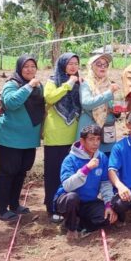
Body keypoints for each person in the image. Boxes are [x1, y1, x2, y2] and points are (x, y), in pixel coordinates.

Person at [0, 54, 44, 222]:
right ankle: (1, 210)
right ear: (19, 69)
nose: (30, 70)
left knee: (21, 172)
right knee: (8, 172)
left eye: (33, 67)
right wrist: (28, 87)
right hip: (10, 138)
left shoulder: (38, 86)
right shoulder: (12, 84)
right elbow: (11, 103)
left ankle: (14, 204)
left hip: (28, 138)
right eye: (26, 67)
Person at [54, 125, 117, 239]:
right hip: (67, 201)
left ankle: (79, 224)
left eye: (98, 139)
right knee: (72, 198)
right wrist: (86, 169)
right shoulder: (70, 159)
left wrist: (108, 204)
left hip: (89, 202)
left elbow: (105, 183)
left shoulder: (102, 157)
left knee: (109, 218)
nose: (96, 143)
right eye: (91, 139)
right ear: (82, 141)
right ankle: (71, 228)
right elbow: (67, 186)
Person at [43, 52, 81, 222]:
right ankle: (52, 207)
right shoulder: (53, 81)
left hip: (73, 135)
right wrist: (68, 84)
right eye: (70, 63)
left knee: (70, 174)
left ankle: (68, 206)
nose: (73, 66)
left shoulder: (80, 83)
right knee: (53, 173)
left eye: (76, 63)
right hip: (55, 135)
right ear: (62, 64)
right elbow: (50, 97)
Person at [78, 54, 120, 156]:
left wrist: (116, 112)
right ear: (91, 66)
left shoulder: (111, 84)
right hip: (89, 127)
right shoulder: (86, 84)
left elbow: (114, 104)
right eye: (99, 64)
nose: (103, 67)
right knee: (88, 161)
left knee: (107, 160)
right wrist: (108, 93)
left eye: (105, 65)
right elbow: (86, 103)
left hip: (107, 129)